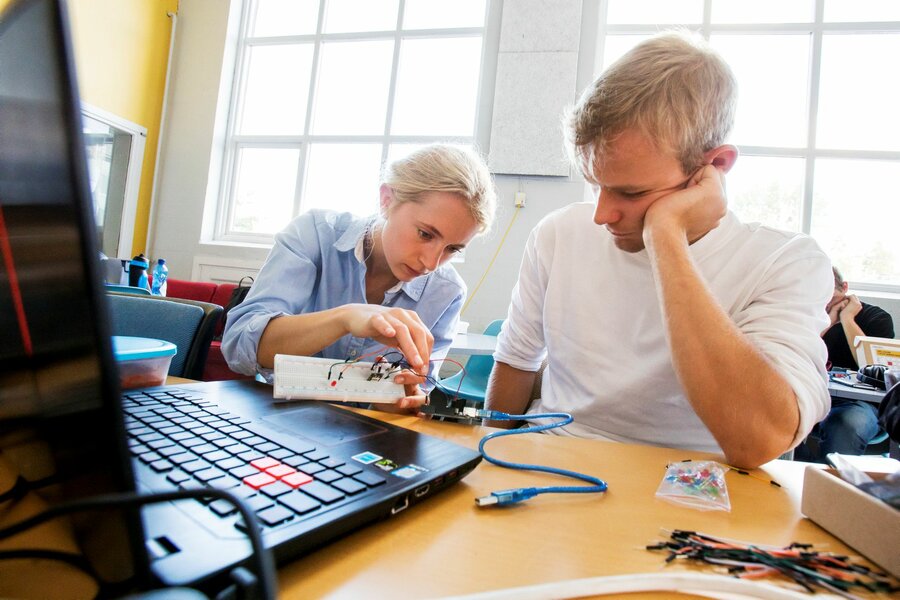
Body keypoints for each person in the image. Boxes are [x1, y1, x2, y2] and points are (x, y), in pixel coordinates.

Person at [484, 32, 833, 469]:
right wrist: (479, 467)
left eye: (631, 193)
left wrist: (666, 237)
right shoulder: (557, 234)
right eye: (595, 185)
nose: (602, 214)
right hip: (552, 460)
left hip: (692, 486)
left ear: (715, 167)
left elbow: (758, 440)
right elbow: (516, 364)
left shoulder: (786, 262)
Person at [222, 144, 496, 410]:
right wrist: (346, 318)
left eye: (452, 249)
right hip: (274, 418)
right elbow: (238, 348)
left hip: (366, 438)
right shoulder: (315, 235)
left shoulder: (447, 293)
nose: (431, 263)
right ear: (387, 200)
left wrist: (403, 400)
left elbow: (412, 397)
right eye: (425, 234)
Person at [795, 266, 895, 462]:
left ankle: (830, 485)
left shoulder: (877, 318)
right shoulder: (809, 317)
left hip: (860, 405)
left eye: (830, 297)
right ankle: (805, 471)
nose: (825, 303)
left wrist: (847, 319)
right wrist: (828, 323)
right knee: (775, 414)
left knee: (845, 424)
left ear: (845, 287)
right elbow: (797, 355)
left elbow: (874, 367)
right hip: (812, 395)